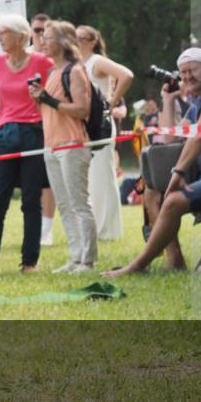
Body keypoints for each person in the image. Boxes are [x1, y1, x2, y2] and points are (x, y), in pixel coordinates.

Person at [105, 48, 201, 277]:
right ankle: (175, 260)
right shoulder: (200, 100)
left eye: (192, 70)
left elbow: (200, 134)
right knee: (152, 190)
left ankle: (137, 266)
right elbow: (170, 138)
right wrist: (169, 100)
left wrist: (178, 172)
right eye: (183, 72)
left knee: (174, 200)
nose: (186, 77)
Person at [0, 14, 54, 275]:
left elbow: (57, 87)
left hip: (33, 134)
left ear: (20, 36)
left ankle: (29, 262)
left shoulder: (42, 62)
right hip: (5, 135)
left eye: (3, 33)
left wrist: (43, 100)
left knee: (31, 201)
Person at [30, 20, 98, 273]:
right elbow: (49, 111)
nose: (42, 41)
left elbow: (82, 110)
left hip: (72, 143)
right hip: (52, 146)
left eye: (47, 37)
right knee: (65, 205)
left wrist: (48, 99)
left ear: (63, 42)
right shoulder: (52, 73)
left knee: (79, 204)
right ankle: (75, 257)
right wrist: (39, 99)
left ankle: (88, 260)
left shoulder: (75, 71)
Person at [77, 25, 133, 241]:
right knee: (89, 179)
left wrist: (111, 102)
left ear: (92, 41)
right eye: (74, 37)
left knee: (102, 177)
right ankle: (94, 228)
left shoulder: (97, 61)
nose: (77, 41)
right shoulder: (77, 64)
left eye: (81, 38)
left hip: (100, 125)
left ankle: (106, 230)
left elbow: (126, 75)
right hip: (83, 126)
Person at [31, 14, 58, 245]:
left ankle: (47, 229)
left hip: (51, 124)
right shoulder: (25, 57)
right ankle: (37, 226)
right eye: (37, 30)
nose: (40, 35)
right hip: (28, 125)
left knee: (49, 181)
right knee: (34, 181)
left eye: (44, 31)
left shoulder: (54, 59)